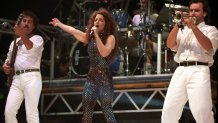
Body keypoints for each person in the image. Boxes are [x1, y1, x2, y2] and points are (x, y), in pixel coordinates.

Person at [49, 8, 118, 123]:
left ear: (106, 24)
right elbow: (73, 31)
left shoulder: (110, 38)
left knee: (107, 110)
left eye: (101, 20)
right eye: (96, 19)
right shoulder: (89, 37)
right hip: (91, 77)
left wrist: (96, 36)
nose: (97, 22)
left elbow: (104, 52)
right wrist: (59, 24)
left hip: (104, 78)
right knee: (87, 111)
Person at [161, 0, 218, 123]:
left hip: (199, 70)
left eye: (197, 10)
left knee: (201, 111)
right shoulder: (183, 30)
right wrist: (177, 24)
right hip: (180, 70)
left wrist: (193, 27)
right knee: (169, 109)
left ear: (205, 13)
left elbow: (208, 47)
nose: (193, 13)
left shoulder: (211, 29)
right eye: (191, 10)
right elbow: (170, 44)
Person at [2, 10, 44, 123]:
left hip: (32, 77)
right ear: (19, 23)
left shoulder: (37, 39)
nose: (26, 23)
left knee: (31, 113)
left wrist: (21, 35)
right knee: (9, 112)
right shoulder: (14, 42)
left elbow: (32, 48)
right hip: (16, 79)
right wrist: (5, 67)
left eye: (29, 22)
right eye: (24, 21)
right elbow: (8, 61)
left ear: (33, 26)